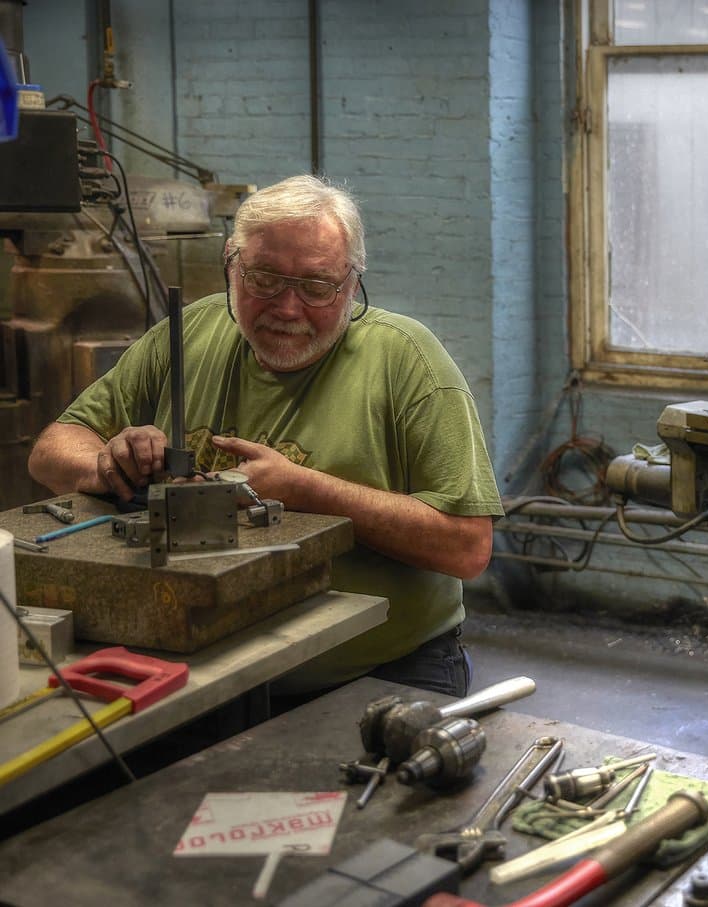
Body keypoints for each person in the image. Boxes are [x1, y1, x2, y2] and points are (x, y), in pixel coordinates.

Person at [27, 174, 502, 698]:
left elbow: (467, 547)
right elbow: (52, 451)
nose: (288, 308)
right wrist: (106, 465)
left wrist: (306, 490)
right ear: (231, 264)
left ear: (352, 282)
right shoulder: (191, 333)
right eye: (264, 279)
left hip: (374, 670)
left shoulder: (406, 362)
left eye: (318, 287)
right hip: (205, 665)